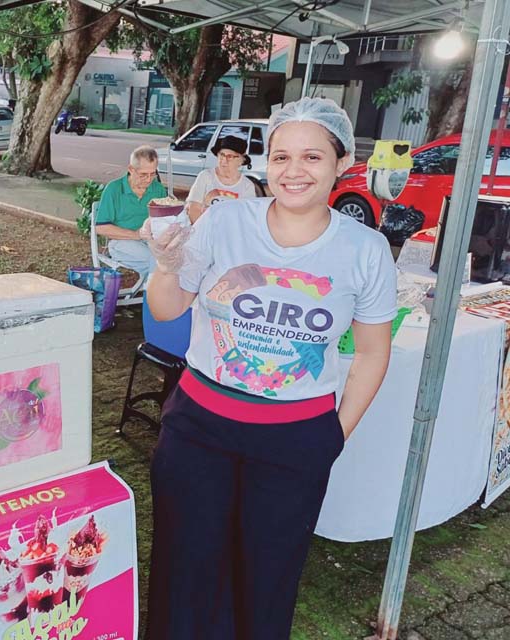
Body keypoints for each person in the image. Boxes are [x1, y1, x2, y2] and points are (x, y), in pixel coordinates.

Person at [143, 97, 397, 640]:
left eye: (311, 157)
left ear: (341, 162)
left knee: (267, 578)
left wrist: (335, 433)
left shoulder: (366, 250)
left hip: (294, 441)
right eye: (281, 157)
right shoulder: (226, 220)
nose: (294, 171)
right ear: (267, 162)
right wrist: (164, 267)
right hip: (198, 429)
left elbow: (374, 352)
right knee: (184, 570)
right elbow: (168, 308)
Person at [94, 145, 168, 279]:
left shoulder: (158, 189)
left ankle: (156, 293)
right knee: (157, 263)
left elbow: (163, 220)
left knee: (176, 260)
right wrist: (137, 234)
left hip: (150, 241)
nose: (148, 179)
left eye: (153, 174)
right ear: (131, 169)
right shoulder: (114, 189)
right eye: (143, 174)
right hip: (121, 242)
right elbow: (101, 227)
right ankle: (153, 297)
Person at [185, 135, 258, 223]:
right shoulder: (206, 176)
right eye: (222, 155)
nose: (224, 160)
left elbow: (246, 217)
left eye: (230, 156)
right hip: (203, 229)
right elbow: (193, 208)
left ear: (241, 160)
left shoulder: (247, 185)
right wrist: (202, 232)